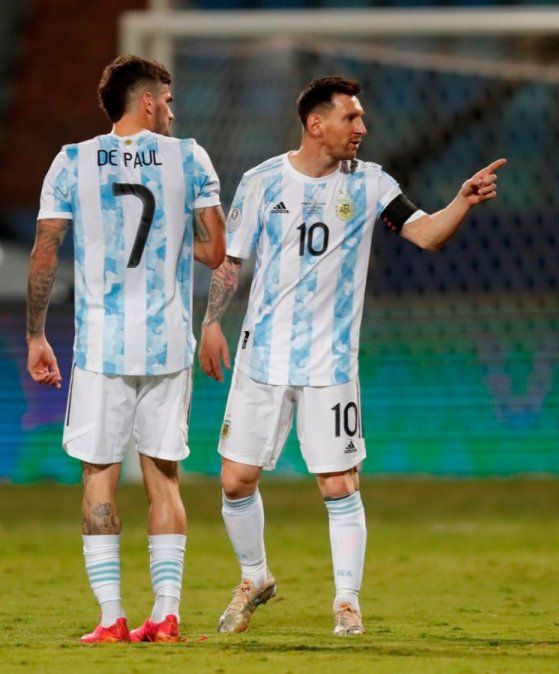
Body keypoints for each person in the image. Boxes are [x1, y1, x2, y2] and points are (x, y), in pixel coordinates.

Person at [197, 75, 505, 636]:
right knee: (236, 480)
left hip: (331, 363)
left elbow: (428, 235)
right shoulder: (262, 182)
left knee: (339, 484)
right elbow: (231, 260)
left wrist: (460, 200)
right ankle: (254, 577)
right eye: (351, 118)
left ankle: (346, 602)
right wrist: (212, 322)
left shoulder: (372, 185)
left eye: (362, 119)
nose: (362, 128)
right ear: (317, 124)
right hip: (261, 356)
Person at [27, 55, 226, 644]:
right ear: (146, 102)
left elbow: (44, 254)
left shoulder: (71, 162)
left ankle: (112, 617)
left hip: (100, 349)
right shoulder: (189, 157)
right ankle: (165, 615)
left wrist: (37, 335)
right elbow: (215, 251)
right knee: (164, 478)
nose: (171, 110)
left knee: (98, 479)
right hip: (166, 345)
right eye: (166, 100)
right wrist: (172, 240)